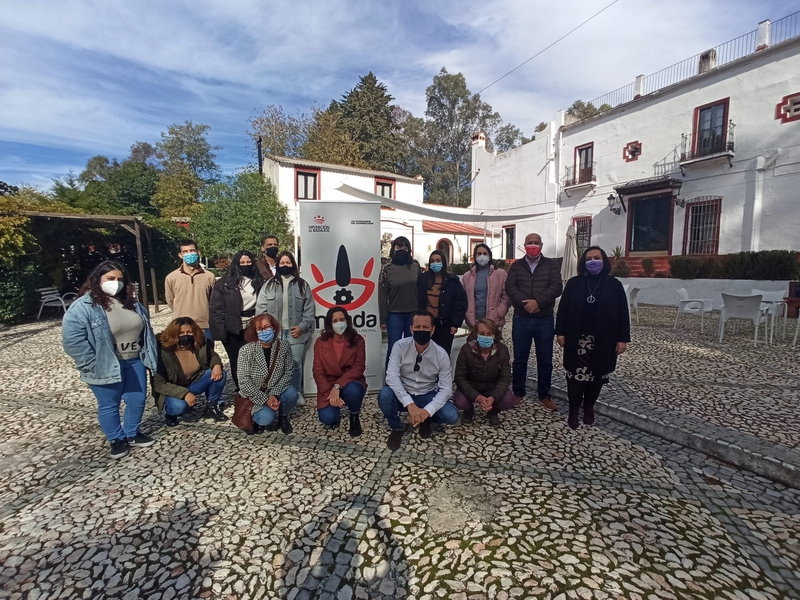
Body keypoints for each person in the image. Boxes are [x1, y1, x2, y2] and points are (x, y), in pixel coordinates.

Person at [62, 261, 157, 459]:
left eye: (120, 279)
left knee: (137, 400)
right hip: (105, 363)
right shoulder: (84, 306)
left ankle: (132, 433)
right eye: (110, 279)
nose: (116, 283)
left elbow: (146, 331)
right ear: (98, 279)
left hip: (134, 359)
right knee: (109, 404)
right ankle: (116, 439)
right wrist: (90, 363)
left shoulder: (132, 303)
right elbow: (73, 340)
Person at [556, 246, 629, 429]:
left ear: (603, 261)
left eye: (597, 258)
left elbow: (622, 313)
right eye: (589, 258)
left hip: (604, 340)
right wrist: (560, 332)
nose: (593, 261)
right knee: (575, 378)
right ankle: (573, 411)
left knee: (597, 378)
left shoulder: (614, 285)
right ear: (584, 263)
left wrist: (622, 339)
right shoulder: (574, 283)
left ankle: (588, 408)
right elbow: (563, 309)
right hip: (577, 338)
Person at [378, 310, 458, 450]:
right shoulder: (399, 346)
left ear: (432, 330)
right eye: (418, 327)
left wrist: (427, 410)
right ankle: (396, 427)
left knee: (451, 416)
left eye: (425, 327)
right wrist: (410, 405)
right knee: (384, 395)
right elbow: (391, 376)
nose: (422, 330)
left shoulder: (441, 354)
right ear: (411, 329)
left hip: (426, 394)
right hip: (404, 392)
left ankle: (425, 418)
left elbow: (446, 388)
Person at [505, 232, 563, 410]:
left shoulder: (551, 265)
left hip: (544, 319)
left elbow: (557, 287)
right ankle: (518, 392)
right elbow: (510, 287)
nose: (533, 245)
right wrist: (526, 304)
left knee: (545, 359)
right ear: (524, 245)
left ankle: (544, 394)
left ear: (541, 245)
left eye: (536, 243)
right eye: (529, 242)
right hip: (521, 318)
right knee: (520, 359)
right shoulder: (516, 267)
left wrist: (538, 302)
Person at [255, 251, 315, 402]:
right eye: (282, 263)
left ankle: (295, 393)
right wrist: (267, 329)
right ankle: (275, 393)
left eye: (288, 262)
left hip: (296, 333)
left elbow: (309, 309)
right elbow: (261, 309)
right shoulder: (268, 286)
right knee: (274, 366)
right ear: (278, 265)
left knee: (295, 366)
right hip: (275, 334)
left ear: (293, 264)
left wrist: (302, 326)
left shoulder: (303, 285)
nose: (285, 265)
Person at [152, 317, 228, 426]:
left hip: (194, 381)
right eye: (181, 333)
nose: (185, 335)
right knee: (179, 407)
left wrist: (216, 365)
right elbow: (158, 384)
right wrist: (184, 393)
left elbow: (212, 355)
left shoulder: (199, 342)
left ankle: (212, 406)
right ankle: (170, 414)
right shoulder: (161, 350)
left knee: (221, 374)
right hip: (172, 387)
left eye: (189, 332)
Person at [209, 250, 265, 390]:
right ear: (236, 264)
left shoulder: (259, 281)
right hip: (233, 326)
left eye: (248, 262)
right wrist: (220, 333)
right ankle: (241, 389)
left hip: (253, 324)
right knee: (237, 360)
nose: (245, 265)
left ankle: (256, 388)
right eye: (242, 263)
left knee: (254, 359)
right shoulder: (225, 283)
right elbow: (216, 309)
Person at [236, 313, 299, 434]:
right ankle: (258, 420)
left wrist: (273, 394)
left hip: (277, 389)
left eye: (267, 327)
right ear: (255, 332)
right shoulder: (246, 350)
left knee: (292, 393)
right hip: (255, 394)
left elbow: (288, 373)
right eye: (259, 329)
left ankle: (283, 417)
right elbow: (244, 381)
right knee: (265, 419)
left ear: (274, 328)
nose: (264, 331)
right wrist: (266, 399)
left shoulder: (284, 346)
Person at [312, 307, 366, 437]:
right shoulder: (320, 342)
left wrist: (338, 385)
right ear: (329, 323)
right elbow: (317, 371)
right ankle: (336, 405)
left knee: (354, 390)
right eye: (335, 320)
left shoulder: (358, 340)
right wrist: (329, 393)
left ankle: (354, 415)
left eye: (342, 319)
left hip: (350, 382)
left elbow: (359, 367)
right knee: (328, 419)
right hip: (329, 386)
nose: (339, 323)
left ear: (347, 321)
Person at [453, 318, 515, 427]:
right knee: (460, 401)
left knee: (508, 399)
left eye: (489, 334)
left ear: (495, 335)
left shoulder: (502, 350)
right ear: (475, 334)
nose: (485, 337)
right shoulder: (466, 349)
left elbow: (505, 378)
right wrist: (477, 397)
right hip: (472, 385)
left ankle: (493, 411)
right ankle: (468, 411)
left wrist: (493, 398)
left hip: (492, 387)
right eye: (481, 333)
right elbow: (460, 377)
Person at [379, 236, 422, 365]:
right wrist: (383, 319)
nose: (402, 249)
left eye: (405, 246)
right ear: (394, 249)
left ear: (409, 249)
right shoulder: (387, 268)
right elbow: (382, 295)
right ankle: (390, 381)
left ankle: (408, 380)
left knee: (411, 348)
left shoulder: (415, 265)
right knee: (394, 349)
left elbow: (421, 288)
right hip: (394, 315)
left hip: (413, 314)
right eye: (399, 246)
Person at [164, 239, 217, 344]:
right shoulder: (171, 277)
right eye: (185, 252)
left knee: (206, 358)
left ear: (198, 252)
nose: (189, 254)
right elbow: (170, 300)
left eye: (192, 250)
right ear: (180, 255)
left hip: (204, 326)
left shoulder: (209, 276)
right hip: (181, 327)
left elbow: (213, 301)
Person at [417, 250, 467, 355]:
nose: (435, 263)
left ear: (443, 262)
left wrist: (455, 324)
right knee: (426, 354)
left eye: (438, 260)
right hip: (427, 325)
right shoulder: (422, 279)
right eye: (433, 261)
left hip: (445, 325)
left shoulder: (452, 281)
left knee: (443, 355)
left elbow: (460, 303)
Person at [461, 243, 511, 331]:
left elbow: (507, 296)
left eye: (485, 253)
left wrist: (499, 312)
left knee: (494, 344)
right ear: (475, 256)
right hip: (474, 322)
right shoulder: (467, 277)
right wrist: (467, 314)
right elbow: (461, 298)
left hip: (494, 321)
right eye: (479, 254)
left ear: (490, 255)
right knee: (474, 344)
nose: (482, 256)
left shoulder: (501, 274)